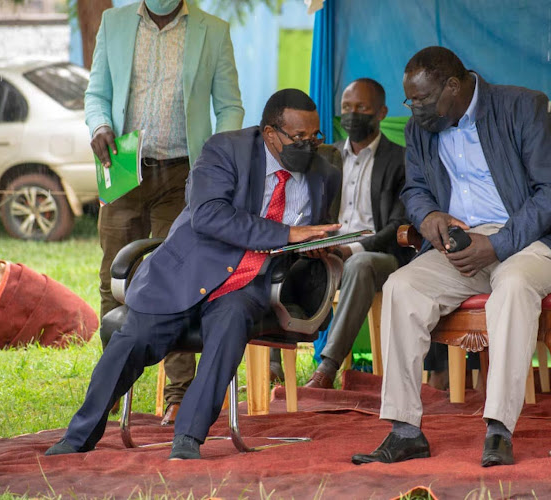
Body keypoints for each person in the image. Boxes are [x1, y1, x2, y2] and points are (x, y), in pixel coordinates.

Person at [45, 89, 341, 460]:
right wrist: (285, 234)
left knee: (230, 326)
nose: (309, 146)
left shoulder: (323, 175)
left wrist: (318, 245)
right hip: (188, 269)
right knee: (132, 339)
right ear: (269, 133)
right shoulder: (224, 151)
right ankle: (79, 435)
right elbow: (208, 215)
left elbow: (312, 233)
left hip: (249, 280)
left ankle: (188, 437)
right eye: (298, 138)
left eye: (315, 137)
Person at [352, 46, 551, 467]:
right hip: (460, 245)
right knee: (400, 286)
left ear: (454, 86)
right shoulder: (422, 128)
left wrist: (498, 244)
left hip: (529, 241)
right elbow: (415, 190)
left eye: (421, 99)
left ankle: (498, 427)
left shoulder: (522, 107)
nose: (414, 109)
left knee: (512, 286)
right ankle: (405, 429)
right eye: (410, 100)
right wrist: (430, 216)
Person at [85, 0, 244, 426]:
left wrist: (217, 160)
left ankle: (178, 395)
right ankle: (112, 389)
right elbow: (97, 93)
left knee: (179, 278)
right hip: (122, 168)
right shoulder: (113, 23)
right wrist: (99, 125)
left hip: (184, 174)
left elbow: (229, 105)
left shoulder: (213, 30)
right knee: (113, 279)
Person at [304, 78, 412, 389]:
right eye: (346, 108)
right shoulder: (326, 157)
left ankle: (327, 367)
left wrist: (352, 249)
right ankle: (273, 362)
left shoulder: (400, 160)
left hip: (382, 258)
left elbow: (398, 226)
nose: (352, 115)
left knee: (358, 264)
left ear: (381, 113)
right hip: (329, 252)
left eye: (361, 108)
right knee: (280, 260)